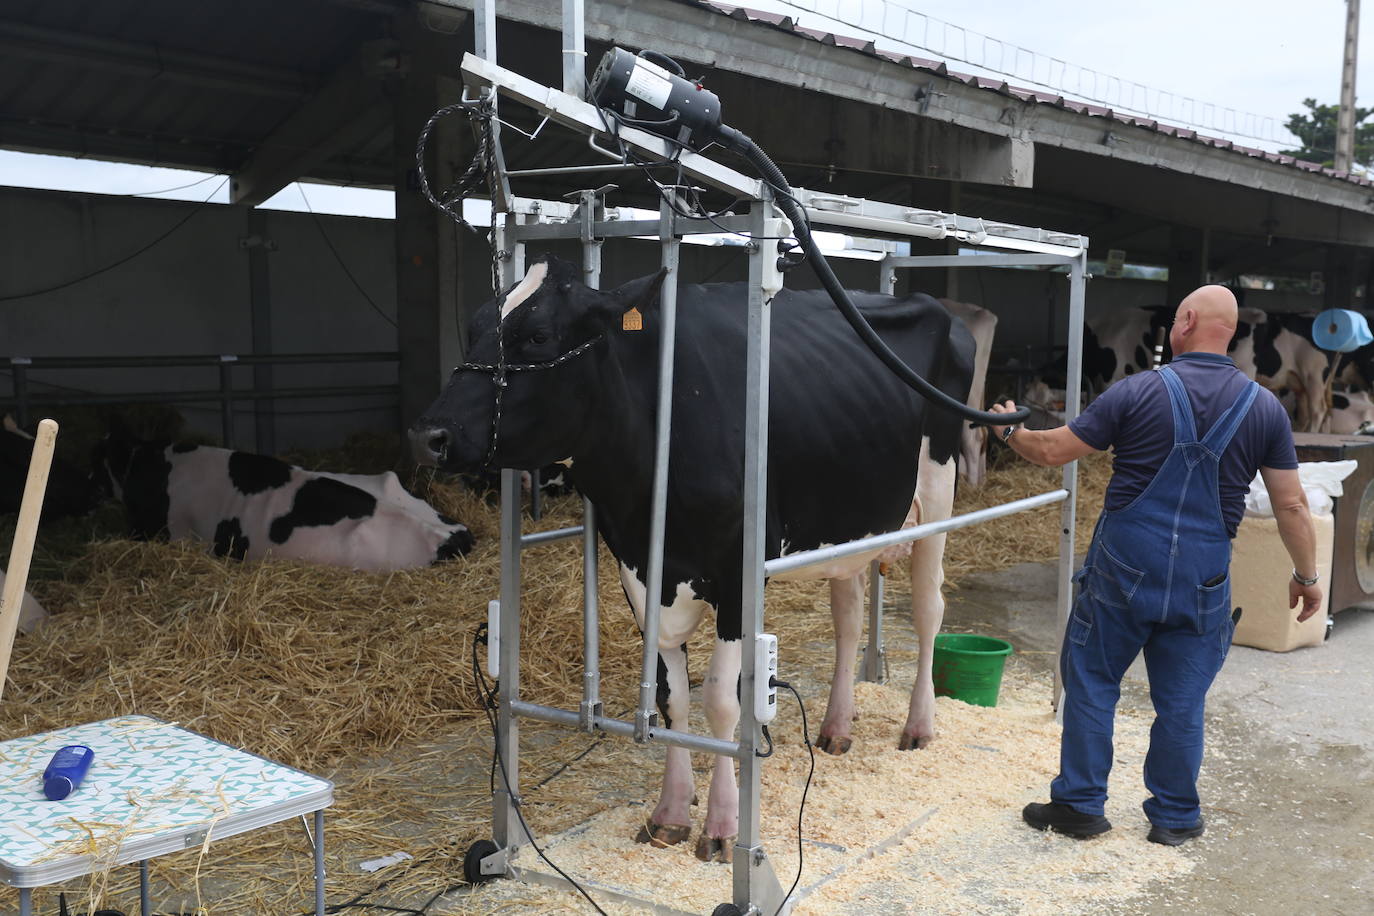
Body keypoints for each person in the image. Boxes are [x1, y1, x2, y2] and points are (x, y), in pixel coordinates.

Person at [989, 285, 1323, 846]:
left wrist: (1006, 429)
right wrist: (1307, 578)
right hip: (1204, 576)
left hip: (1125, 565)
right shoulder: (1263, 407)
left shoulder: (1136, 391)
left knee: (1093, 680)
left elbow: (1050, 451)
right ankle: (1173, 817)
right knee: (1182, 701)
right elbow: (1291, 504)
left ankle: (1079, 806)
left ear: (1186, 321)